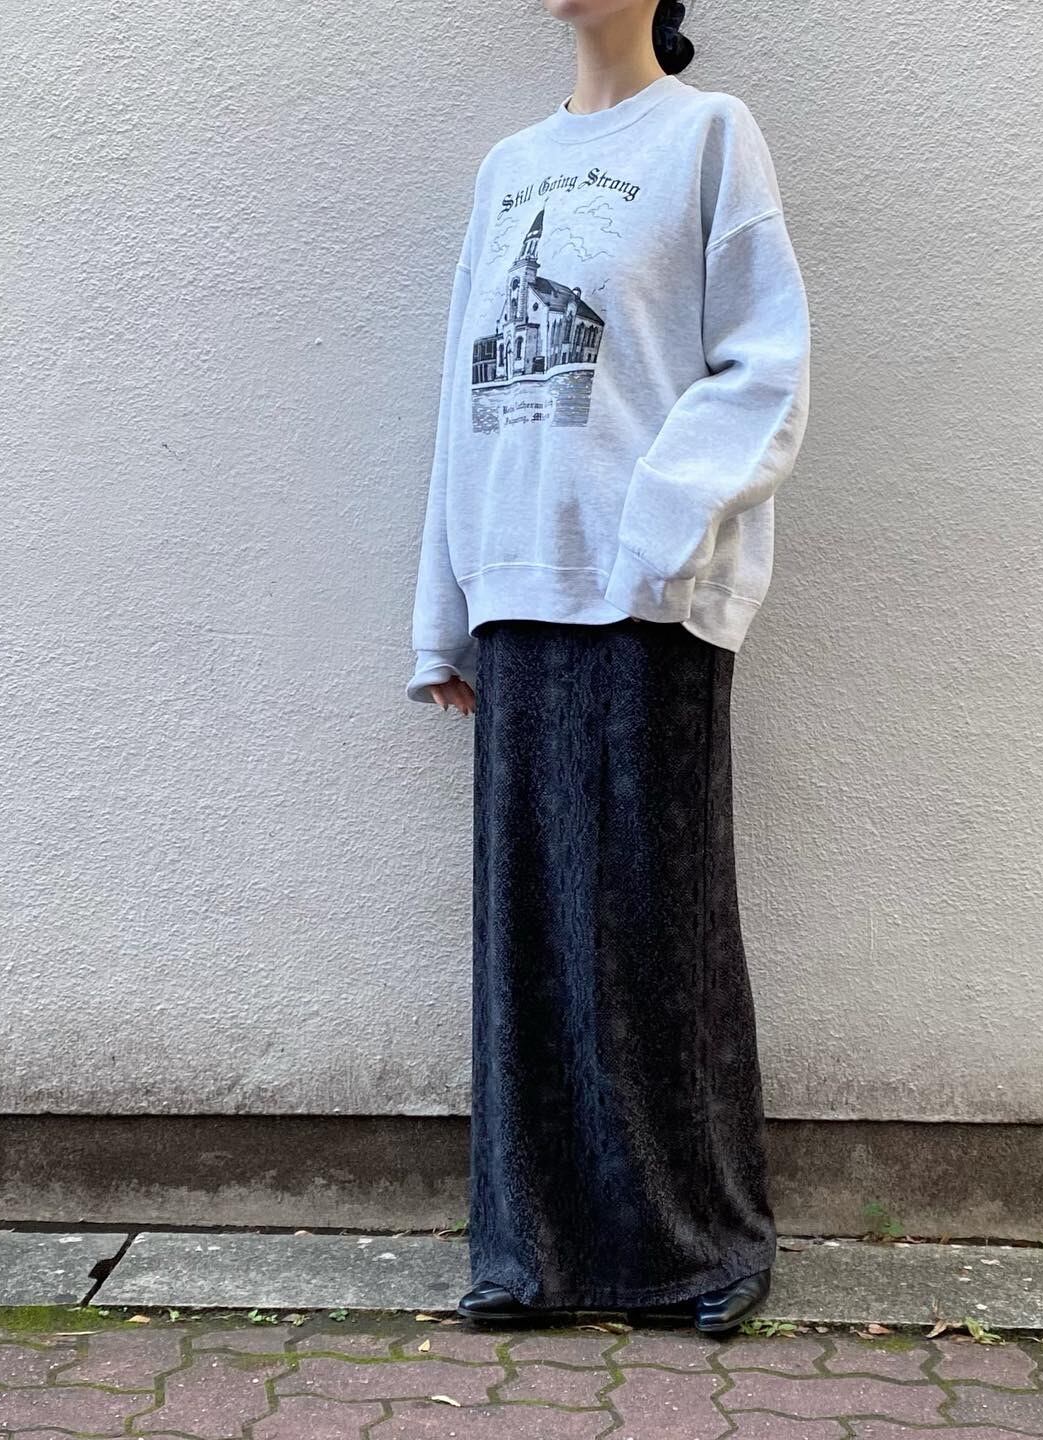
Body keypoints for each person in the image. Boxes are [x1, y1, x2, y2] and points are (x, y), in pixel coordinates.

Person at [406, 0, 812, 1336]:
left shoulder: (709, 137)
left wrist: (656, 534)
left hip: (651, 595)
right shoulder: (507, 168)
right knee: (527, 940)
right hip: (519, 593)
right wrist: (444, 614)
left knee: (657, 931)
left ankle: (699, 1247)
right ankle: (529, 1253)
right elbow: (464, 397)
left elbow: (764, 363)